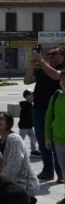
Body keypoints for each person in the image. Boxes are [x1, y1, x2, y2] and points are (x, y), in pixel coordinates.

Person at [25, 46, 64, 182]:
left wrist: (41, 60)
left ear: (62, 56)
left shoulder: (62, 68)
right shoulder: (42, 69)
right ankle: (48, 170)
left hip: (56, 110)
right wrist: (32, 65)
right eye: (49, 54)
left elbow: (55, 75)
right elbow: (27, 80)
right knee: (42, 141)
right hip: (39, 108)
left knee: (56, 143)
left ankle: (61, 173)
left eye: (54, 54)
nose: (50, 56)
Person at [0, 112, 39, 204]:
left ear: (9, 123)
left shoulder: (14, 138)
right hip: (9, 183)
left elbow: (14, 164)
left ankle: (28, 200)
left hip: (23, 184)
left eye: (0, 119)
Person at [46, 74, 65, 201]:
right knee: (64, 168)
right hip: (58, 139)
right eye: (63, 79)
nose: (64, 82)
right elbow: (48, 117)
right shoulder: (56, 96)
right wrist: (47, 136)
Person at [18, 90, 39, 154]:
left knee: (33, 137)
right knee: (21, 138)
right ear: (26, 96)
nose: (33, 96)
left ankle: (33, 150)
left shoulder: (30, 105)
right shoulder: (26, 105)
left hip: (29, 125)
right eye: (31, 94)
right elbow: (28, 115)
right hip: (24, 126)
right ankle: (17, 149)